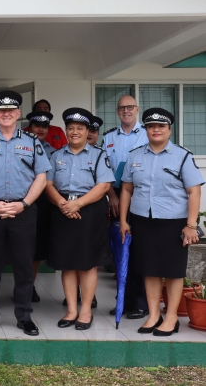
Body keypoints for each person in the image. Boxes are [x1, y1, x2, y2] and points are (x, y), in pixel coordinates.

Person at [0, 90, 51, 337]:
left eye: (10, 111)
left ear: (17, 114)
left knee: (24, 266)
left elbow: (42, 177)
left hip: (22, 212)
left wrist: (23, 204)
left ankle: (24, 316)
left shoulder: (32, 142)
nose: (5, 115)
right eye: (1, 111)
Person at [120, 108, 204, 336]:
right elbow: (127, 189)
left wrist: (191, 225)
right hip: (142, 220)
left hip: (173, 222)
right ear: (145, 129)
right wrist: (123, 220)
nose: (155, 130)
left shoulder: (182, 156)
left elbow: (194, 191)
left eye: (161, 126)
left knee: (173, 271)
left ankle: (172, 317)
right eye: (150, 126)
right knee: (149, 269)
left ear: (169, 129)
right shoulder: (135, 155)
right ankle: (154, 314)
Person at [45, 108, 114, 330]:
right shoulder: (56, 156)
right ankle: (71, 310)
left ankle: (85, 311)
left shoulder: (99, 155)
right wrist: (64, 204)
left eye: (80, 128)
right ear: (66, 131)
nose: (75, 132)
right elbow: (48, 185)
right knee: (67, 263)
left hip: (89, 210)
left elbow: (103, 186)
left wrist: (78, 203)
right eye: (71, 128)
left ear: (87, 131)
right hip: (61, 209)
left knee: (87, 263)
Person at [103, 95, 149, 319]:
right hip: (116, 196)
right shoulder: (109, 138)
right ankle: (124, 301)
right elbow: (104, 171)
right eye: (122, 108)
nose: (126, 111)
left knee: (139, 249)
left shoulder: (148, 133)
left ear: (137, 109)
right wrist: (111, 194)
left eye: (130, 107)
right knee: (120, 249)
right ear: (117, 110)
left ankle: (140, 303)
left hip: (141, 196)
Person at [25, 111, 56, 303]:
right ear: (30, 127)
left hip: (43, 202)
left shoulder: (53, 152)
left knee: (35, 249)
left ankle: (28, 286)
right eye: (37, 125)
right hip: (19, 199)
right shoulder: (20, 146)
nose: (40, 129)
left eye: (44, 127)